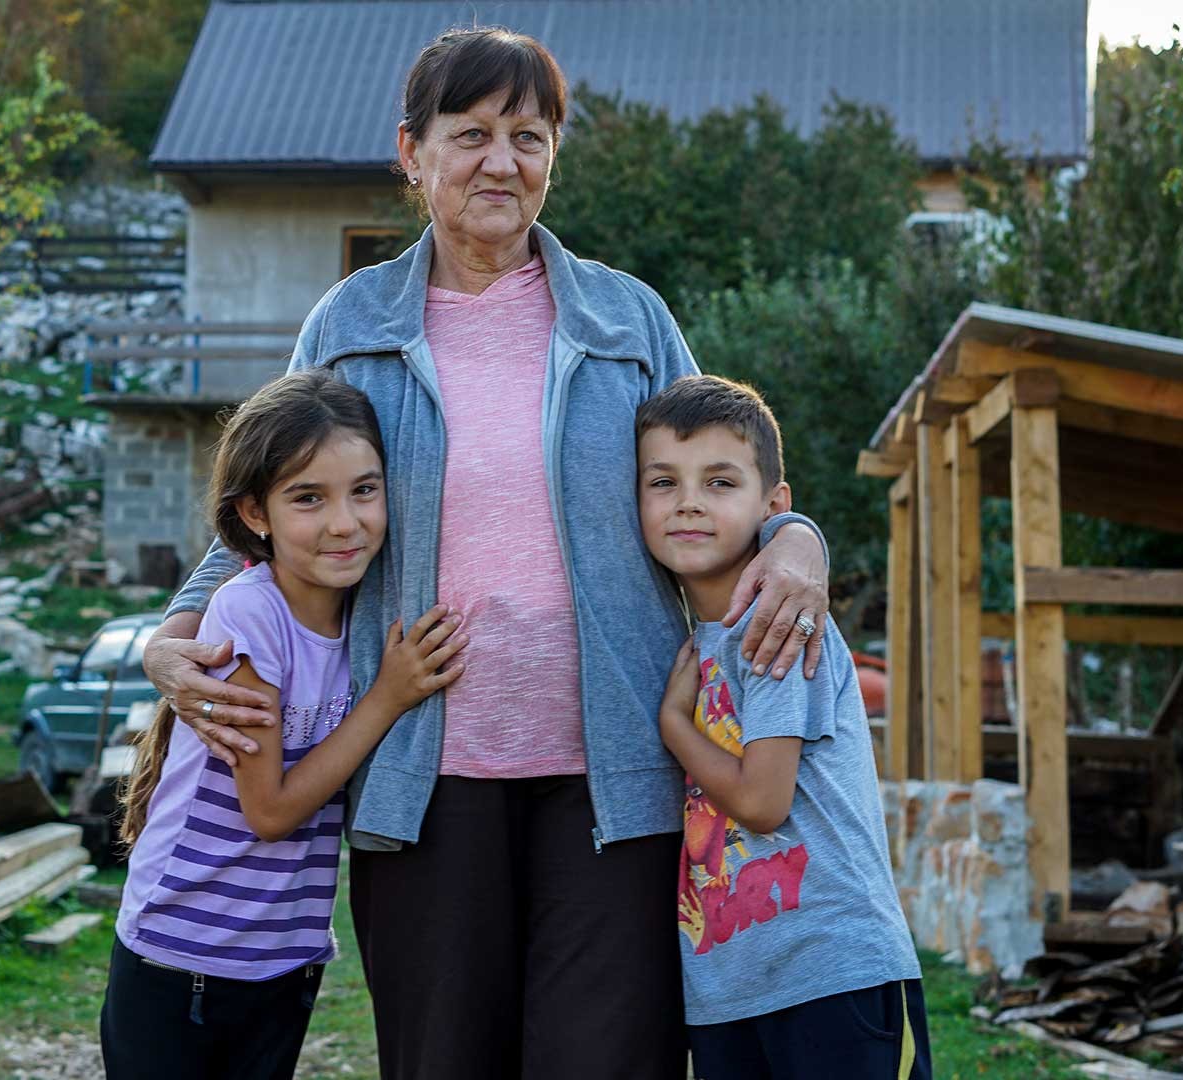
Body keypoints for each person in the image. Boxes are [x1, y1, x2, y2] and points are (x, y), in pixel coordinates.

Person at [142, 27, 833, 1079]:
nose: (501, 162)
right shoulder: (351, 319)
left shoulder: (627, 317)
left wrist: (798, 542)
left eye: (529, 135)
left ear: (555, 153)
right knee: (444, 1059)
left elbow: (728, 480)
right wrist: (168, 639)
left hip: (618, 773)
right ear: (411, 152)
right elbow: (260, 518)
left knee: (606, 1060)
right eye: (470, 135)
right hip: (423, 772)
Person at [102, 370, 465, 1080]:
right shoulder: (250, 614)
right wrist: (386, 701)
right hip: (185, 956)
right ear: (256, 514)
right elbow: (269, 810)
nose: (344, 522)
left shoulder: (365, 616)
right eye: (308, 498)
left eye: (365, 490)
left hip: (283, 960)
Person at [638, 376, 928, 1080]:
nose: (689, 503)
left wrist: (676, 725)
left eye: (719, 482)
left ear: (774, 507)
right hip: (731, 990)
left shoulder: (774, 625)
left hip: (833, 973)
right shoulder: (700, 641)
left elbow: (763, 801)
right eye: (663, 482)